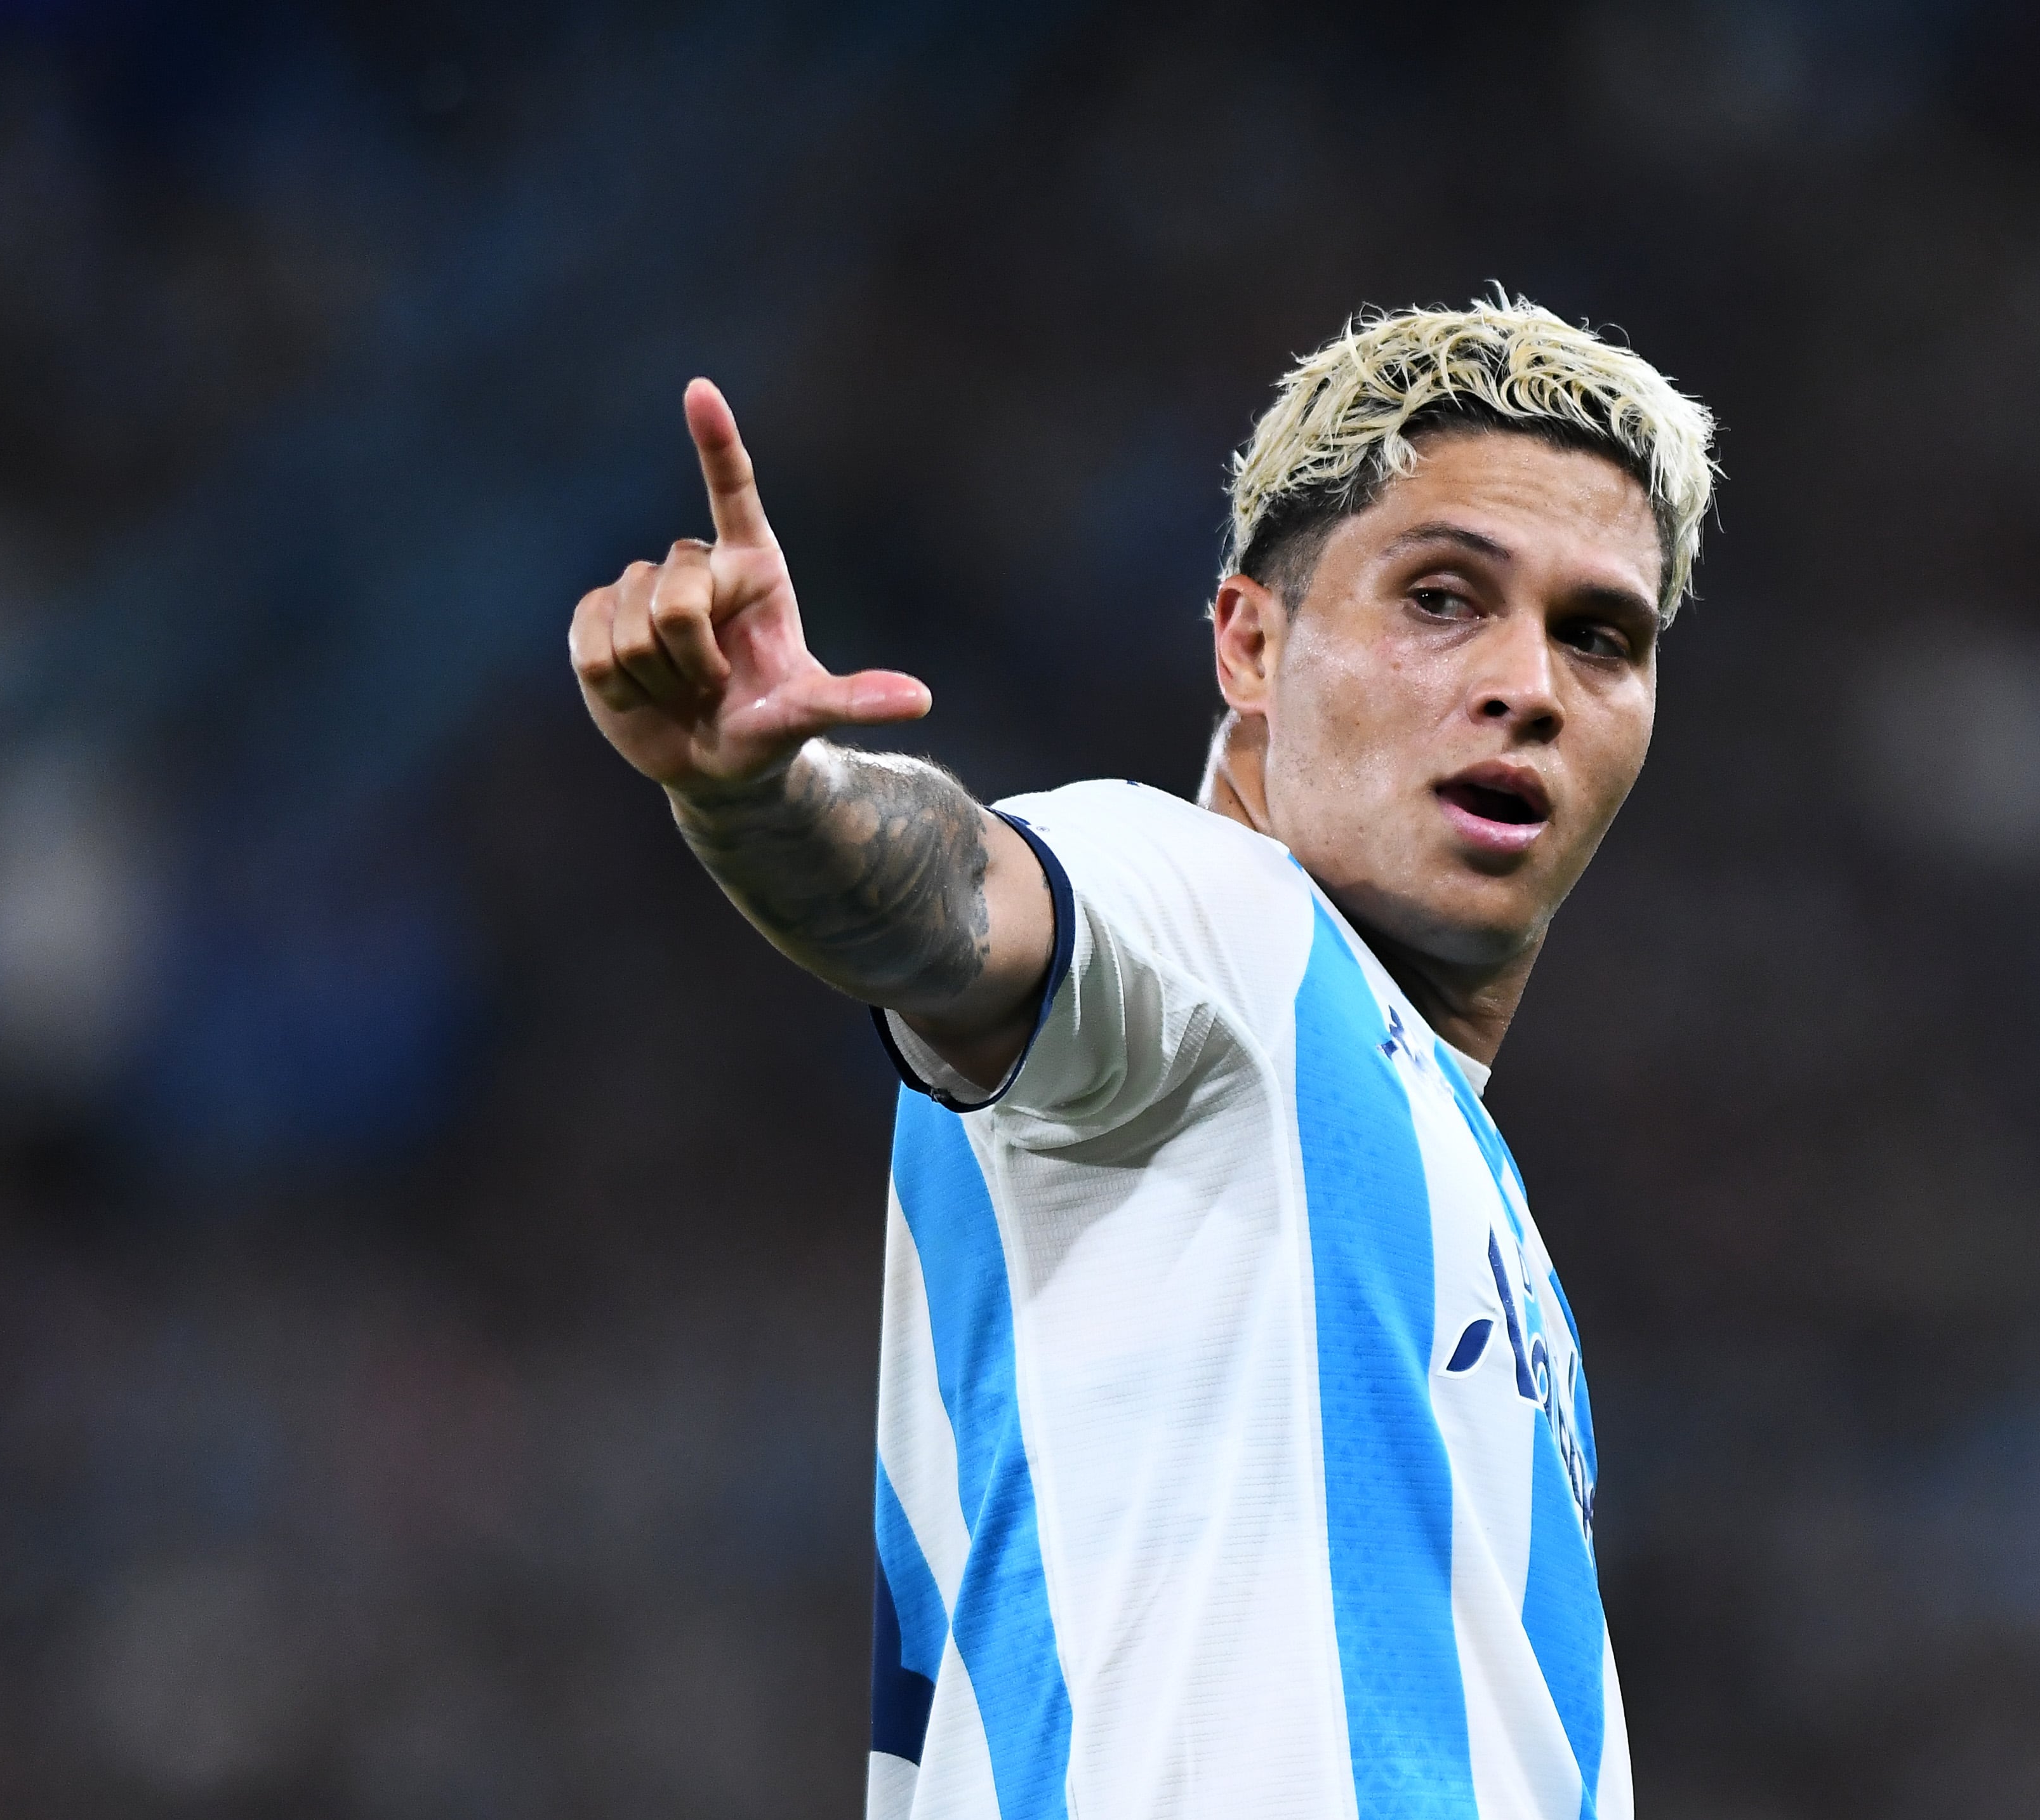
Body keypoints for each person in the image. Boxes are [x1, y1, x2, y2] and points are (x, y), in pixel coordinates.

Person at [569, 297, 1716, 1820]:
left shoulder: (1438, 1160)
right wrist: (765, 794)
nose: (1529, 684)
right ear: (1250, 642)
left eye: (1598, 636)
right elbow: (959, 904)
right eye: (1441, 598)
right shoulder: (1221, 931)